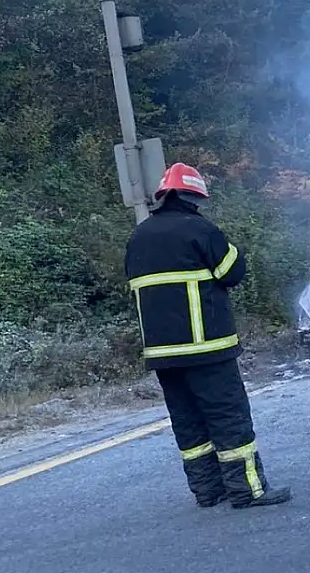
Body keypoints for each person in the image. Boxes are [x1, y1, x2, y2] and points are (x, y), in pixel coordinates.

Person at [124, 162, 291, 509]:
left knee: (188, 424)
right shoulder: (200, 229)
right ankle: (247, 490)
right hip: (208, 349)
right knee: (228, 418)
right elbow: (233, 272)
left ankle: (207, 491)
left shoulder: (138, 237)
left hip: (163, 355)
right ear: (193, 197)